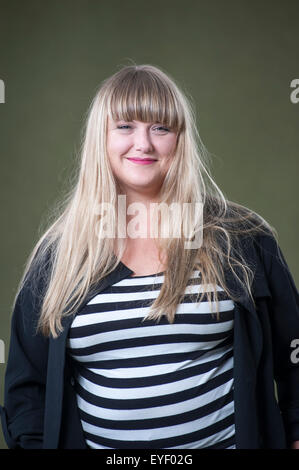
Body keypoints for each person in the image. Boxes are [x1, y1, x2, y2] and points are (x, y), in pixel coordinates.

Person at [1, 64, 299, 450]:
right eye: (125, 126)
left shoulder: (240, 236)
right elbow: (27, 391)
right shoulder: (61, 254)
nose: (143, 143)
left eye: (160, 128)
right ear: (101, 139)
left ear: (179, 139)